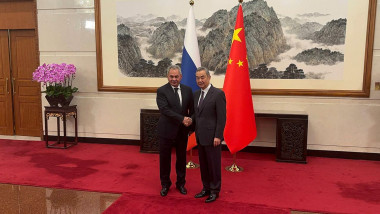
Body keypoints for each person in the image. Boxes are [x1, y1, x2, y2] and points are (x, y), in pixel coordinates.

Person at [156, 65, 194, 197]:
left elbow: (192, 110)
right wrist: (182, 118)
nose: (174, 79)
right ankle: (165, 184)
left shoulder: (188, 90)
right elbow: (164, 110)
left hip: (182, 131)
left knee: (181, 159)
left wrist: (190, 123)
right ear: (168, 76)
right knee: (165, 160)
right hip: (166, 131)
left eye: (176, 76)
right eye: (171, 76)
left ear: (181, 77)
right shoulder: (161, 91)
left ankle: (181, 184)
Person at [192, 67, 226, 203]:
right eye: (197, 78)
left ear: (209, 77)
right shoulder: (196, 95)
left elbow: (222, 117)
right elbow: (197, 114)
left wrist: (218, 136)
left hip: (213, 138)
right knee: (204, 165)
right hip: (200, 136)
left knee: (214, 165)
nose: (200, 80)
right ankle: (205, 188)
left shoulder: (218, 94)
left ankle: (214, 190)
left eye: (202, 77)